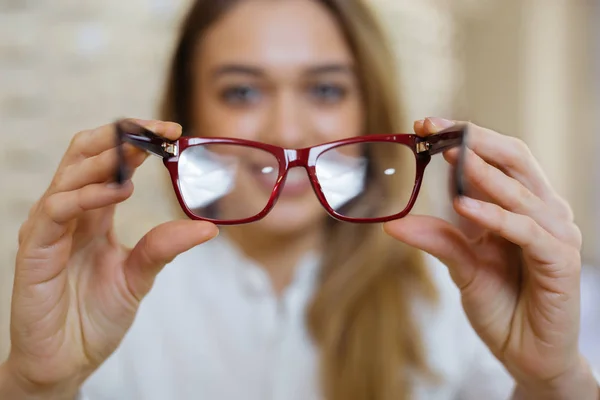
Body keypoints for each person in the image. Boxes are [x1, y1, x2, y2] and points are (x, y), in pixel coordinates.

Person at [0, 0, 597, 399]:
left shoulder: (463, 304)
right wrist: (33, 385)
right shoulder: (117, 312)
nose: (286, 131)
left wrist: (555, 380)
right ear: (187, 115)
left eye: (325, 88)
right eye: (241, 90)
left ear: (369, 108)